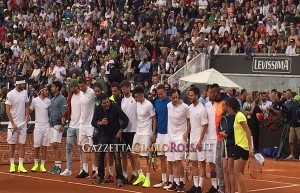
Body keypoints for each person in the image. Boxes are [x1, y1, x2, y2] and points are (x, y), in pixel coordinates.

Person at [92, 93, 129, 187]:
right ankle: (100, 177)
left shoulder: (115, 107)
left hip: (115, 135)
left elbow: (125, 119)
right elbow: (93, 122)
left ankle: (119, 178)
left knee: (117, 157)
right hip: (104, 135)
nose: (107, 104)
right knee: (100, 155)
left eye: (107, 102)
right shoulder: (98, 109)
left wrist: (120, 131)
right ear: (100, 103)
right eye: (104, 103)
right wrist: (100, 123)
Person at [132, 86, 156, 188]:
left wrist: (153, 133)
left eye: (137, 97)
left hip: (146, 133)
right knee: (134, 154)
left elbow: (154, 119)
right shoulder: (137, 103)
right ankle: (141, 175)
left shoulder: (149, 105)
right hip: (138, 132)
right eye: (135, 97)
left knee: (146, 156)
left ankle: (148, 178)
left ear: (142, 95)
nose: (136, 99)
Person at [227, 97, 253, 193]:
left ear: (231, 107)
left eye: (228, 107)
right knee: (240, 172)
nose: (227, 109)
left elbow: (248, 131)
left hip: (242, 147)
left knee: (236, 172)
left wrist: (250, 148)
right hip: (240, 146)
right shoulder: (238, 116)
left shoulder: (240, 116)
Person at [186, 86, 208, 193]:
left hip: (201, 141)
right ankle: (195, 185)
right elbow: (191, 123)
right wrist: (187, 132)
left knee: (201, 163)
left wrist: (200, 141)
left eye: (191, 95)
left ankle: (200, 186)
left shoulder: (202, 109)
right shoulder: (190, 108)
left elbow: (204, 126)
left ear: (197, 96)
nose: (190, 97)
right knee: (194, 162)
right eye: (189, 95)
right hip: (192, 140)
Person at [166, 89, 189, 192]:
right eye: (173, 98)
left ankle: (182, 183)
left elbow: (190, 120)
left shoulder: (185, 107)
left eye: (177, 97)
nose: (175, 99)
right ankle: (175, 182)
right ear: (170, 98)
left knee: (178, 161)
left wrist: (187, 133)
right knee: (173, 161)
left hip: (180, 137)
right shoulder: (168, 106)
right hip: (170, 137)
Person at [5, 77, 30, 173]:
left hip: (22, 124)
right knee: (12, 145)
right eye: (22, 84)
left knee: (22, 145)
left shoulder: (25, 93)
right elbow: (7, 110)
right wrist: (13, 123)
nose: (24, 86)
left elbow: (27, 105)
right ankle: (12, 165)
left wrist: (27, 115)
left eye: (24, 84)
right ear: (17, 84)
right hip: (13, 124)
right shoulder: (10, 94)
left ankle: (20, 165)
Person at [60, 79, 83, 176]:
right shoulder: (70, 95)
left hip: (80, 126)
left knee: (81, 148)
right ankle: (68, 169)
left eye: (71, 87)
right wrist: (64, 116)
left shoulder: (83, 95)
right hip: (71, 125)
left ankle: (83, 169)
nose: (70, 89)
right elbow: (68, 108)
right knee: (68, 147)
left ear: (76, 86)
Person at [205, 84, 224, 193]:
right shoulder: (206, 105)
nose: (209, 95)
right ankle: (214, 185)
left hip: (218, 139)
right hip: (208, 139)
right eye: (208, 93)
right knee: (211, 164)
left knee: (219, 164)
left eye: (211, 93)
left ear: (216, 93)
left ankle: (221, 186)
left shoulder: (221, 104)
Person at [76, 77, 97, 178]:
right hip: (82, 124)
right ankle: (84, 170)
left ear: (86, 84)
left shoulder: (92, 92)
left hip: (91, 125)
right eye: (79, 86)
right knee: (83, 148)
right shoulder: (80, 93)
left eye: (82, 86)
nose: (80, 88)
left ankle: (94, 170)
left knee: (92, 148)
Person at [153, 84, 171, 189]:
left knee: (170, 158)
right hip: (159, 134)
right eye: (158, 94)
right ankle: (164, 180)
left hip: (168, 134)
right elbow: (156, 118)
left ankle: (172, 180)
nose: (160, 96)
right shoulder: (156, 102)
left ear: (165, 92)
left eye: (161, 93)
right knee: (161, 157)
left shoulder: (170, 102)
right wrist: (154, 133)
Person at [30, 85, 51, 173]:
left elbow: (50, 112)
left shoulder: (49, 101)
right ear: (42, 91)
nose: (47, 92)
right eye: (46, 90)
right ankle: (35, 165)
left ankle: (42, 165)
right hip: (38, 126)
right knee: (37, 146)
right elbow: (30, 109)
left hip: (46, 126)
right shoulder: (34, 100)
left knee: (45, 147)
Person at [120, 80, 138, 184]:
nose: (123, 90)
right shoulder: (122, 101)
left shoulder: (134, 99)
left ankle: (135, 173)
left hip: (133, 130)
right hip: (124, 130)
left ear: (129, 87)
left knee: (132, 153)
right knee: (124, 153)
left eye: (125, 88)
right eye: (122, 89)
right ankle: (125, 174)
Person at [48, 81, 67, 175]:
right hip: (51, 124)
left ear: (58, 88)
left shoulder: (62, 99)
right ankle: (56, 165)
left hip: (59, 124)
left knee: (56, 144)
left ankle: (59, 167)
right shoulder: (52, 99)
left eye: (53, 87)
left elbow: (65, 112)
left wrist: (63, 125)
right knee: (54, 145)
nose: (51, 88)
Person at [219, 99, 235, 193]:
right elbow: (219, 128)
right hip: (225, 145)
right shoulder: (222, 116)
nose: (222, 107)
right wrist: (221, 133)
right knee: (224, 168)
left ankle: (232, 190)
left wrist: (227, 134)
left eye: (224, 105)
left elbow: (232, 130)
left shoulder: (233, 117)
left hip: (232, 144)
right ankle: (227, 190)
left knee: (230, 169)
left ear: (228, 106)